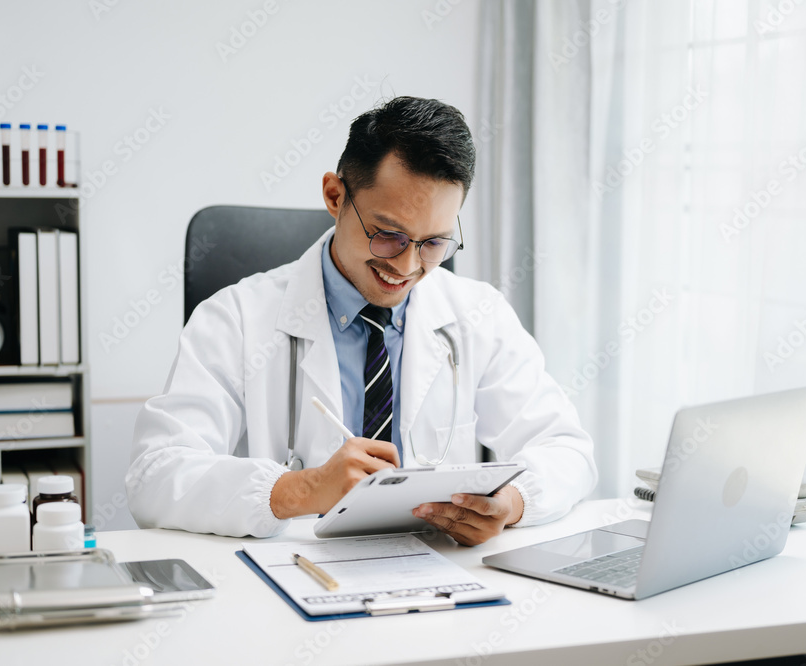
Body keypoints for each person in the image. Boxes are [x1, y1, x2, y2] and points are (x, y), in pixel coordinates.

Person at [127, 96, 596, 545]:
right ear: (335, 196)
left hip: (439, 582)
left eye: (434, 242)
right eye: (389, 235)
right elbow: (155, 475)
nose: (409, 265)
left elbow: (567, 450)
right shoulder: (235, 318)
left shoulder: (479, 314)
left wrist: (513, 502)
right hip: (289, 581)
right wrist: (300, 490)